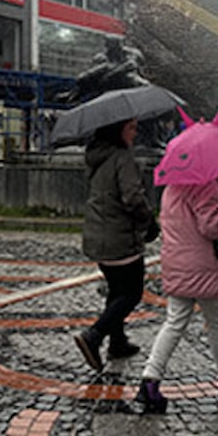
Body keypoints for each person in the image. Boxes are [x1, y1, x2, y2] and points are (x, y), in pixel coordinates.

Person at [134, 179, 218, 413]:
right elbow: (211, 226)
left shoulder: (170, 189)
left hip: (176, 265)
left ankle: (150, 379)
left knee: (173, 323)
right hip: (202, 266)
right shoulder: (205, 186)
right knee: (217, 323)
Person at [74, 118, 156, 371]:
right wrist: (149, 222)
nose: (135, 132)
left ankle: (117, 342)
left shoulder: (97, 157)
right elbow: (132, 197)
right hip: (120, 238)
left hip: (99, 238)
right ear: (117, 130)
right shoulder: (122, 158)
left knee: (116, 290)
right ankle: (94, 336)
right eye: (130, 128)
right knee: (131, 293)